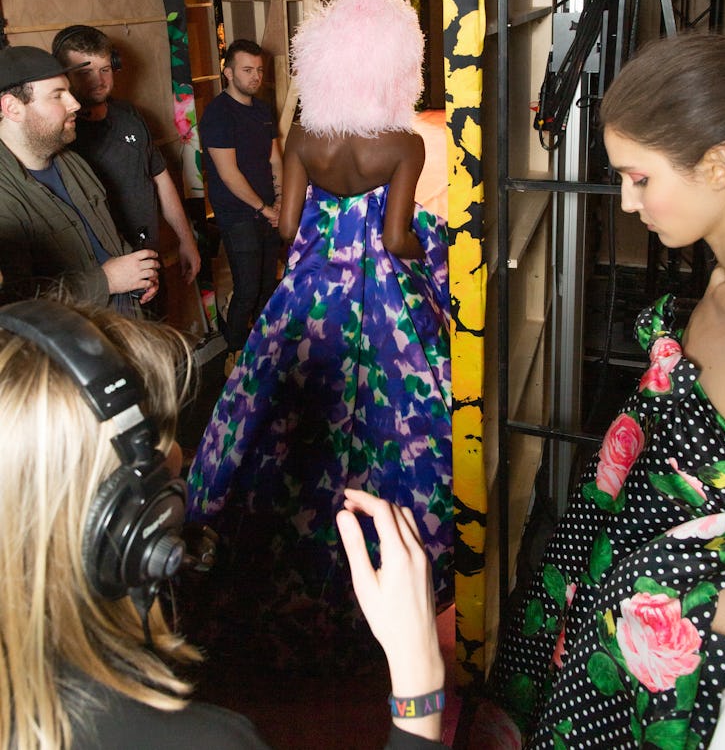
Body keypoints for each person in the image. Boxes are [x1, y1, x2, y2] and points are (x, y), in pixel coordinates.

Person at [0, 296, 445, 748]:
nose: (177, 460)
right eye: (159, 442)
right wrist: (419, 676)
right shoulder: (210, 740)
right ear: (124, 522)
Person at [489, 32, 725, 749]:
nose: (629, 205)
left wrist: (674, 588)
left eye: (641, 179)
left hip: (684, 671)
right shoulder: (721, 286)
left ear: (720, 165)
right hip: (622, 607)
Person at [186, 0, 452, 671]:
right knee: (387, 423)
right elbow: (396, 240)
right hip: (380, 304)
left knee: (274, 416)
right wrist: (438, 243)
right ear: (396, 67)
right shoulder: (401, 143)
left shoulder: (303, 133)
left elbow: (283, 223)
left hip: (307, 297)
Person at [0, 45, 159, 311]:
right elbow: (14, 302)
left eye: (69, 92)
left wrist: (137, 273)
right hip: (70, 346)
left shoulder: (72, 162)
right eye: (57, 95)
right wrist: (106, 281)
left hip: (122, 328)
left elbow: (108, 238)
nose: (74, 103)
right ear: (12, 107)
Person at [52, 24, 201, 290]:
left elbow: (160, 177)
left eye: (105, 69)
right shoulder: (61, 135)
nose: (99, 80)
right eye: (85, 72)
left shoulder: (129, 115)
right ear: (63, 75)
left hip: (149, 262)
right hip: (105, 280)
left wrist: (186, 239)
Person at [198, 39, 283, 365]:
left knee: (266, 285)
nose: (256, 77)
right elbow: (228, 173)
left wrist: (281, 203)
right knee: (247, 287)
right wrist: (265, 209)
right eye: (248, 70)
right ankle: (234, 351)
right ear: (228, 72)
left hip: (267, 211)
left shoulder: (262, 110)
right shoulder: (218, 115)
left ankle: (263, 348)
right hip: (238, 214)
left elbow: (275, 160)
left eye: (259, 70)